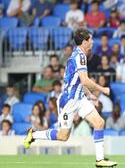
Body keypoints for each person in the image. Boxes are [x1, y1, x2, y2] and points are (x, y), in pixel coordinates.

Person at [24, 28, 117, 167]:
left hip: (80, 99)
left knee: (99, 123)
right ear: (84, 41)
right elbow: (84, 80)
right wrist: (102, 89)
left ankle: (100, 160)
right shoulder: (79, 57)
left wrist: (90, 95)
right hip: (69, 101)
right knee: (63, 136)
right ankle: (34, 134)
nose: (92, 41)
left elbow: (79, 80)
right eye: (90, 39)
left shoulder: (79, 55)